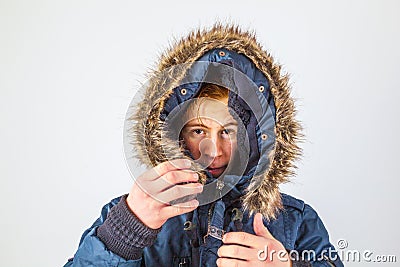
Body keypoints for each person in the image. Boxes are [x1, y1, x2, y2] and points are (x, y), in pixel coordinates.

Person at [64, 24, 344, 267]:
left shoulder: (295, 221)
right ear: (174, 133)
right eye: (199, 130)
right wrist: (124, 234)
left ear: (257, 135)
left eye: (229, 131)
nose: (215, 150)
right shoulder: (135, 212)